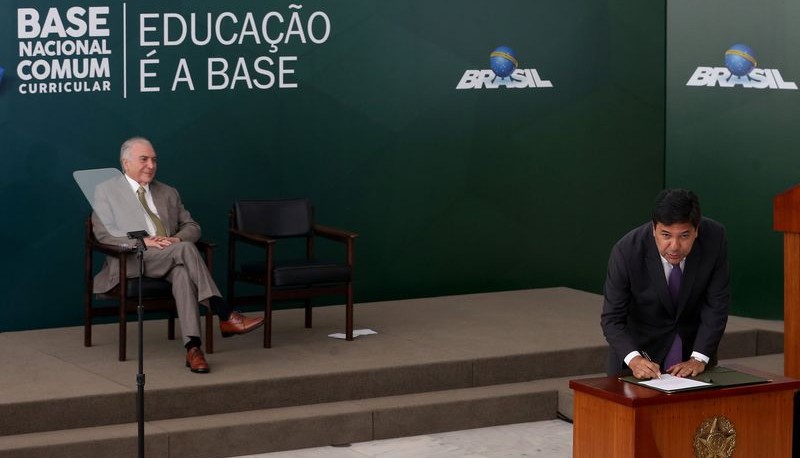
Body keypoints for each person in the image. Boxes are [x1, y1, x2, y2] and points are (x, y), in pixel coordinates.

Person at [92, 136, 264, 373]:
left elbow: (192, 226)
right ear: (125, 163)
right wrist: (143, 242)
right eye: (144, 159)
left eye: (154, 160)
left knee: (183, 271)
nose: (151, 165)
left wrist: (177, 239)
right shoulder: (106, 191)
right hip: (133, 260)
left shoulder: (168, 192)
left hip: (171, 256)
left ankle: (193, 349)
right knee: (185, 251)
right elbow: (103, 235)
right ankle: (224, 313)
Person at [601, 188, 730, 379]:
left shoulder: (714, 238)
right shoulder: (626, 252)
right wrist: (634, 360)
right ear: (654, 229)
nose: (674, 246)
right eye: (666, 235)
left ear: (697, 230)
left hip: (694, 361)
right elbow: (612, 319)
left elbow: (716, 305)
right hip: (639, 359)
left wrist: (699, 358)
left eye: (684, 236)